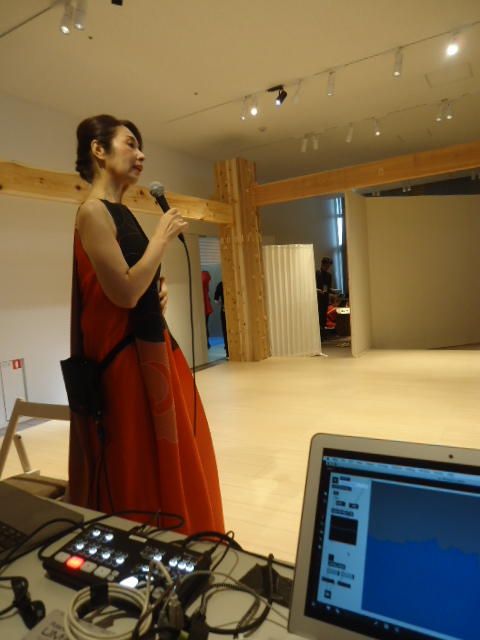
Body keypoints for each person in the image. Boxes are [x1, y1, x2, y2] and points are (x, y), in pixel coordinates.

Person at [68, 114, 224, 534]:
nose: (141, 155)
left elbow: (134, 281)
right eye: (130, 144)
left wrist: (159, 289)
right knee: (141, 460)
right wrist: (161, 239)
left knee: (178, 451)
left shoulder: (120, 212)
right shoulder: (92, 212)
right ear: (99, 150)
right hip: (127, 362)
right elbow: (122, 293)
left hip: (152, 350)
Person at [316, 257, 333, 334]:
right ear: (322, 264)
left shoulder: (329, 275)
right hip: (318, 298)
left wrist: (333, 291)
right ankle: (319, 332)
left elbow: (328, 288)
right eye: (327, 265)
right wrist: (318, 290)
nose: (328, 267)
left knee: (324, 315)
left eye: (329, 266)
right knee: (318, 315)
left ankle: (323, 331)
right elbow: (312, 285)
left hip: (325, 297)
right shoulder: (317, 273)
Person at [214, 280, 229, 358]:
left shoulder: (221, 284)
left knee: (226, 331)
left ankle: (228, 352)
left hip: (225, 310)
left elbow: (216, 300)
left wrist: (222, 305)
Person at [201, 270, 213, 348]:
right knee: (204, 326)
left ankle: (206, 343)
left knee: (204, 326)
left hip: (204, 307)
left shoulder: (203, 276)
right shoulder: (204, 278)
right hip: (205, 307)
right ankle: (206, 343)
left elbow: (205, 278)